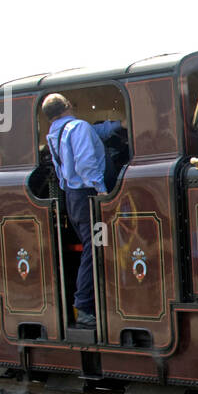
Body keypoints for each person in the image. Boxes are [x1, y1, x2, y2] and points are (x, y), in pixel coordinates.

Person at [40, 93, 121, 329]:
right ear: (68, 107)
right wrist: (102, 192)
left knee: (94, 247)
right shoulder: (79, 127)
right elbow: (86, 162)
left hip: (75, 198)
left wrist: (119, 126)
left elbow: (98, 134)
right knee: (95, 248)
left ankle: (92, 303)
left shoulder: (57, 132)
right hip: (90, 197)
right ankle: (84, 307)